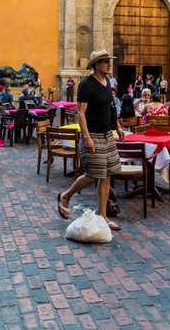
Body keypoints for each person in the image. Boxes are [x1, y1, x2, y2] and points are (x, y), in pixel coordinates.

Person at [57, 49, 124, 231]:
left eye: (109, 61)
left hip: (107, 135)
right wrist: (86, 137)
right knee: (92, 175)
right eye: (105, 61)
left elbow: (110, 107)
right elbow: (81, 113)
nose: (109, 64)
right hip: (92, 135)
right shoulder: (86, 85)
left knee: (107, 174)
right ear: (96, 64)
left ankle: (102, 216)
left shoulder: (107, 81)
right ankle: (66, 196)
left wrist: (116, 126)